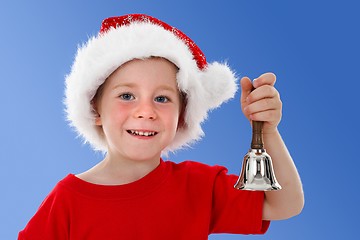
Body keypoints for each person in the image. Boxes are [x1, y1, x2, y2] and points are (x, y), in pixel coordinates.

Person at [18, 14, 304, 239]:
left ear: (182, 116)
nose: (146, 111)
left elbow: (285, 204)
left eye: (162, 98)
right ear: (95, 109)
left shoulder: (199, 187)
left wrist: (266, 131)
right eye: (127, 96)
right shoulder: (67, 200)